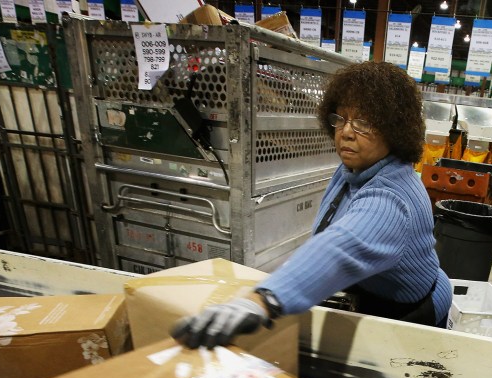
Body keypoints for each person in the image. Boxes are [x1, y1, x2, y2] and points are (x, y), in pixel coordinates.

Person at [172, 61, 452, 350]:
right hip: (374, 297)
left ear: (395, 128)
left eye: (364, 122)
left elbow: (341, 247)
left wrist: (263, 300)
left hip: (411, 317)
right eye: (341, 119)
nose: (346, 132)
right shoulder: (355, 171)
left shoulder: (391, 199)